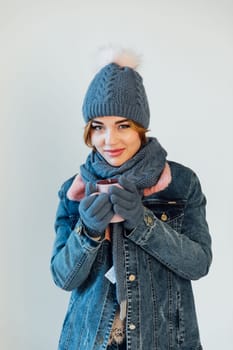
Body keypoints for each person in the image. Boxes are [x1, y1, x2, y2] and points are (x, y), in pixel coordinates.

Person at [50, 48, 212, 350]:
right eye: (98, 126)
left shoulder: (180, 184)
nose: (109, 140)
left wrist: (144, 222)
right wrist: (89, 231)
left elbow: (198, 264)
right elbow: (63, 277)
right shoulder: (75, 190)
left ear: (140, 127)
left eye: (123, 125)